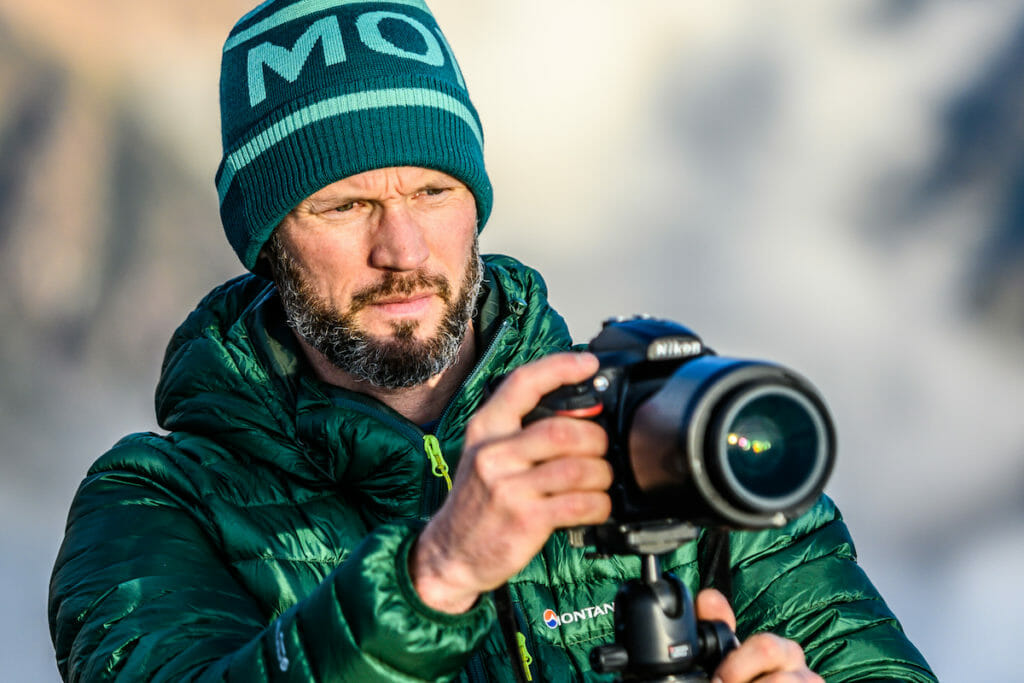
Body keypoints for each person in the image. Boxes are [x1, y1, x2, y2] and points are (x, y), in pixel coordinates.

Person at [48, 1, 936, 681]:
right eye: (344, 205)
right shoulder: (156, 508)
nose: (403, 250)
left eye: (432, 191)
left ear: (476, 201)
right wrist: (433, 573)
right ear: (267, 241)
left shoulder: (668, 436)